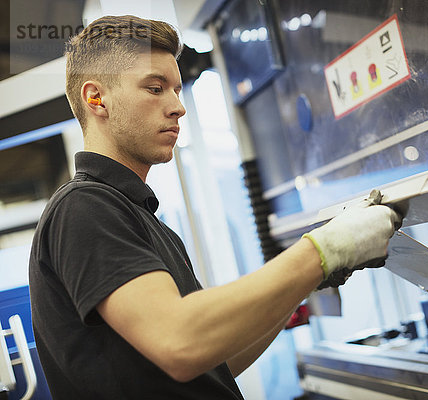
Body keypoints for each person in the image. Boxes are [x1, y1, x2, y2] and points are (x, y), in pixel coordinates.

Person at [28, 15, 400, 399]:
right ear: (96, 98)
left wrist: (308, 281)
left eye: (176, 89)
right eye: (155, 88)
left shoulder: (143, 219)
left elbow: (212, 362)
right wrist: (324, 249)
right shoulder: (84, 207)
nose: (178, 107)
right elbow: (181, 343)